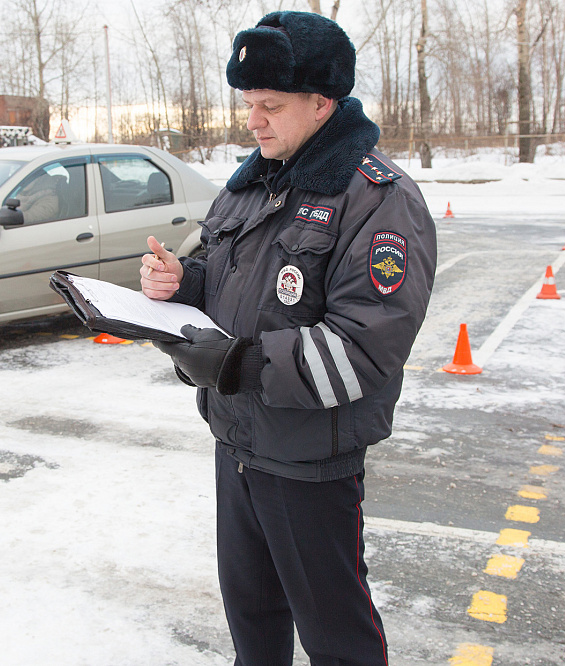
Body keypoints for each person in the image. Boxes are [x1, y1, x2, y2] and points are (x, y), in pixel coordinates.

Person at [140, 11, 437, 666]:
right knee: (253, 623)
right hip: (237, 444)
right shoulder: (252, 184)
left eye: (270, 105)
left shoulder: (376, 198)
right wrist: (181, 283)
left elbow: (366, 346)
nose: (254, 121)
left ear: (322, 102)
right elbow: (224, 281)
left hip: (310, 459)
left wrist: (240, 363)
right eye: (249, 103)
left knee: (336, 636)